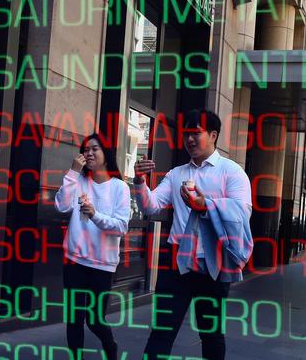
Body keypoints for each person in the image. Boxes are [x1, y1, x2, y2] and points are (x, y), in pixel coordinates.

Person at [133, 109, 252, 360]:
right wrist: (140, 182)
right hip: (176, 264)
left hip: (213, 266)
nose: (189, 139)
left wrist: (205, 204)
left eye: (196, 133)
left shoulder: (231, 172)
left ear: (213, 134)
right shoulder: (177, 174)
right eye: (187, 133)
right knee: (162, 331)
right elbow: (151, 206)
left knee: (210, 334)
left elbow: (242, 214)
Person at [54, 133, 131, 360]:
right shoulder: (78, 180)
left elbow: (120, 227)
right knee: (74, 319)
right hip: (75, 261)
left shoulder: (120, 188)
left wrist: (95, 215)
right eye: (85, 149)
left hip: (102, 265)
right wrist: (72, 172)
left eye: (94, 149)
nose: (88, 153)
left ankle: (110, 346)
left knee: (96, 319)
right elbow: (61, 206)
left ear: (106, 154)